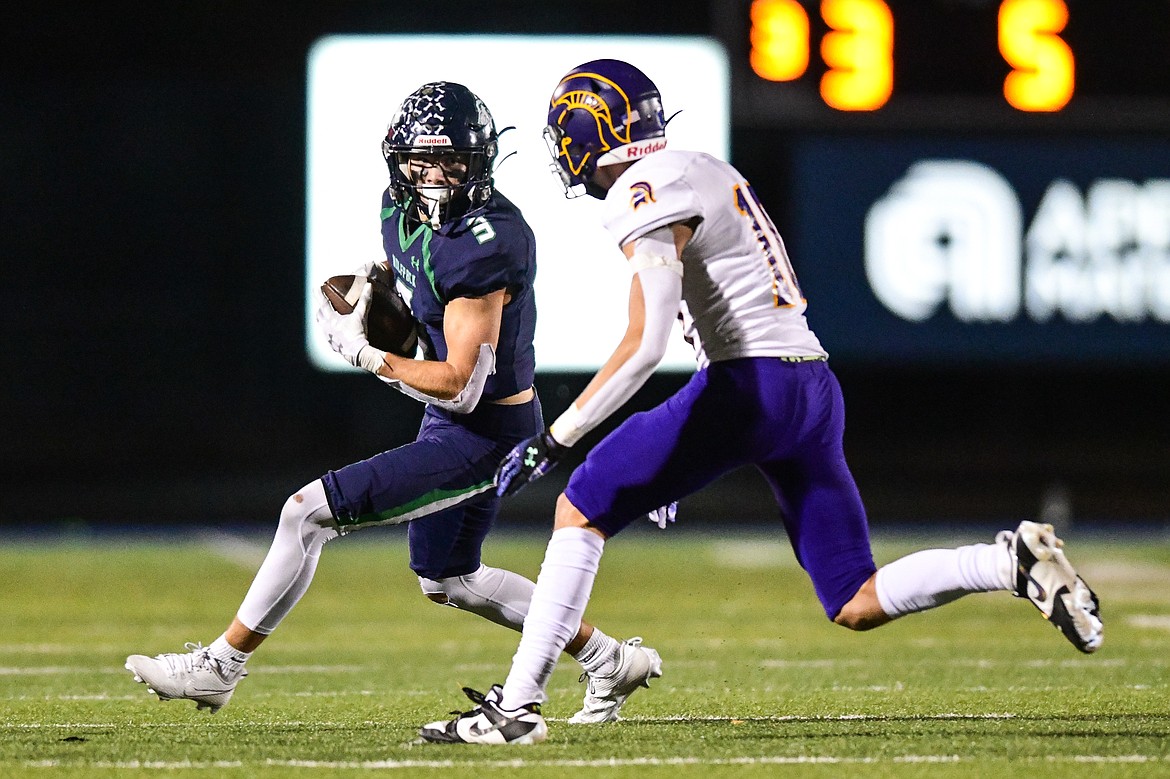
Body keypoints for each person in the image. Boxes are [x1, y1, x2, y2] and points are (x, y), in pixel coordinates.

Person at [417, 60, 1104, 745]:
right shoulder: (700, 167)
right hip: (810, 385)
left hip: (752, 386)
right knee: (854, 599)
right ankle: (1008, 561)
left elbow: (647, 341)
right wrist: (677, 454)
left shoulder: (642, 188)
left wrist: (558, 436)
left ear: (584, 130)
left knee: (582, 501)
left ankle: (519, 706)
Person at [125, 81, 660, 723]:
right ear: (398, 163)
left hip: (487, 432)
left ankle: (219, 666)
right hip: (457, 423)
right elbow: (416, 298)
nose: (435, 177)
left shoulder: (486, 241)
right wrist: (381, 305)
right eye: (421, 161)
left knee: (305, 513)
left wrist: (369, 355)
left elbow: (461, 386)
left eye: (452, 162)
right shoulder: (399, 211)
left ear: (481, 162)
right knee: (448, 578)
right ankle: (607, 658)